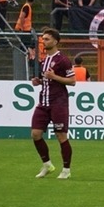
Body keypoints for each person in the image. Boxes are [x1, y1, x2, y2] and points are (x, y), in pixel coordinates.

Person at [31, 28, 75, 180]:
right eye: (43, 39)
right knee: (35, 134)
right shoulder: (44, 60)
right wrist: (38, 81)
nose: (43, 41)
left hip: (58, 103)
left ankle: (66, 170)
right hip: (43, 102)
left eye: (47, 39)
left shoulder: (63, 60)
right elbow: (47, 79)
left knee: (61, 135)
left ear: (55, 41)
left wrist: (54, 76)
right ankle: (47, 165)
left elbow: (72, 81)